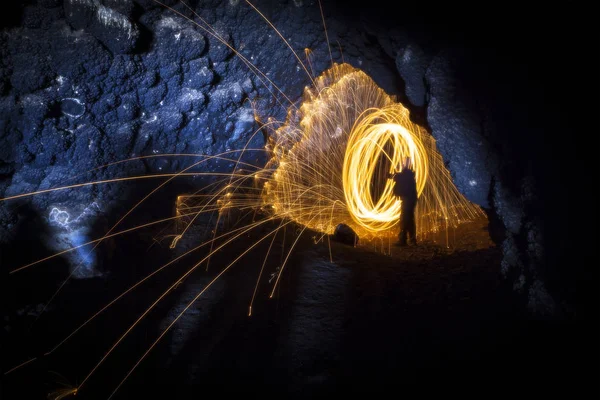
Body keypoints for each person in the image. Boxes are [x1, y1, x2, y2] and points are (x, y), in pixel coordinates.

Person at [388, 157, 418, 246]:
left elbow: (399, 177)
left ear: (407, 164)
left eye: (403, 163)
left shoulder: (407, 173)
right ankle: (409, 240)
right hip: (409, 199)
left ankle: (404, 240)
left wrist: (390, 175)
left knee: (405, 219)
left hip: (408, 200)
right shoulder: (408, 173)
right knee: (408, 219)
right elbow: (399, 177)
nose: (402, 164)